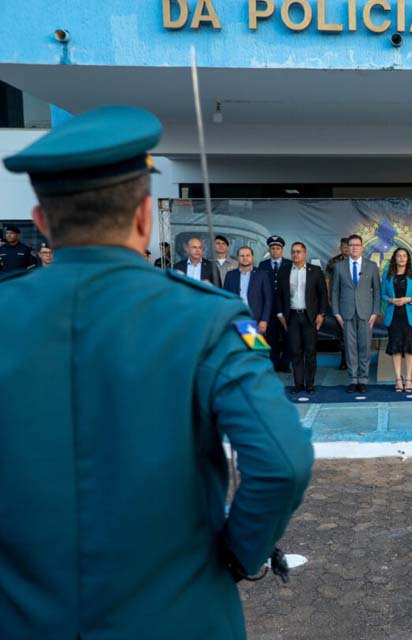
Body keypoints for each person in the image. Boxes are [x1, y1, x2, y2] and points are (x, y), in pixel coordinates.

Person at [0, 104, 313, 639]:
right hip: (181, 615)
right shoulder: (209, 318)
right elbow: (282, 461)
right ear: (144, 216)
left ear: (42, 223)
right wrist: (238, 557)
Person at [330, 234, 380, 393]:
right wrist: (336, 313)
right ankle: (353, 379)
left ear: (362, 248)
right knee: (350, 347)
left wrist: (375, 312)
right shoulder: (339, 266)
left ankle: (363, 379)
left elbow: (377, 291)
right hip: (346, 313)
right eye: (351, 245)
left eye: (357, 245)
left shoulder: (371, 266)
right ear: (347, 248)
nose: (354, 248)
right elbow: (335, 291)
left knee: (364, 347)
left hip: (366, 313)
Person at [276, 242, 328, 394]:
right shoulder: (284, 271)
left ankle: (310, 384)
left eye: (299, 252)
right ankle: (298, 384)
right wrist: (280, 315)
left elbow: (323, 294)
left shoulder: (315, 271)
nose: (295, 255)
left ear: (305, 254)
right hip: (291, 317)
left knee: (310, 352)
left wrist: (322, 314)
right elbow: (279, 295)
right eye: (293, 252)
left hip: (309, 317)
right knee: (295, 351)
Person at [382, 247, 412, 392]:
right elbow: (382, 294)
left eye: (404, 256)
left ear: (408, 259)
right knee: (395, 348)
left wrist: (409, 299)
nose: (401, 258)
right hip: (393, 316)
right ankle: (398, 380)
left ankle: (409, 379)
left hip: (410, 317)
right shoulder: (387, 275)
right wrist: (390, 299)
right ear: (394, 258)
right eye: (399, 256)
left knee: (409, 348)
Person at [258, 235, 293, 373]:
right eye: (272, 248)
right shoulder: (263, 265)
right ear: (269, 249)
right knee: (271, 337)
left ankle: (285, 363)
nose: (275, 251)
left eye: (278, 248)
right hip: (269, 307)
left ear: (282, 250)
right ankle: (273, 363)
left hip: (286, 307)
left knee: (288, 337)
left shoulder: (289, 264)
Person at [223, 246, 272, 335]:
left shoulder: (262, 274)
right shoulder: (230, 275)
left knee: (254, 346)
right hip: (236, 318)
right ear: (238, 258)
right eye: (242, 256)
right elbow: (226, 299)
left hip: (255, 319)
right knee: (237, 346)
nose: (245, 258)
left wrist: (264, 320)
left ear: (252, 257)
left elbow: (268, 300)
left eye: (247, 255)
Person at [326, 237, 351, 370]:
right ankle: (343, 360)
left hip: (354, 302)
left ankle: (355, 360)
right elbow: (328, 280)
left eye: (348, 246)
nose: (346, 249)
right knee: (341, 332)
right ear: (340, 248)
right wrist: (329, 298)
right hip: (339, 301)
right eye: (343, 246)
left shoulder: (358, 262)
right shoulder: (333, 262)